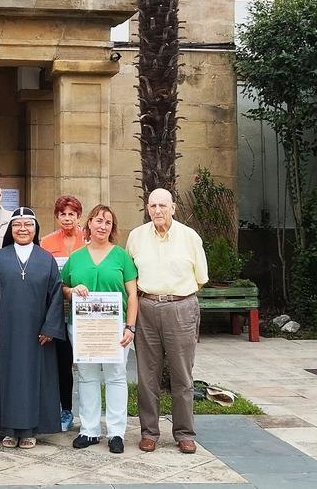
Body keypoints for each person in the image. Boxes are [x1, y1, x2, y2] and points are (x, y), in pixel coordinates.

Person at [126, 188, 209, 454]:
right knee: (147, 375)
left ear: (173, 207)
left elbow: (200, 278)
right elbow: (130, 277)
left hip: (181, 307)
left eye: (163, 205)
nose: (158, 211)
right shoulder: (136, 237)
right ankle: (149, 432)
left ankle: (184, 433)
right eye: (153, 206)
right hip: (147, 307)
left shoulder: (189, 237)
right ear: (147, 209)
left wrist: (175, 297)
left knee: (182, 375)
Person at [0, 207, 65, 449]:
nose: (23, 229)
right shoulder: (0, 257)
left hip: (38, 336)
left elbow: (56, 294)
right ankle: (8, 430)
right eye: (18, 225)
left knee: (33, 380)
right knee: (6, 380)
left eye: (28, 225)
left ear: (35, 229)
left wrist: (50, 327)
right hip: (4, 334)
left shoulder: (45, 259)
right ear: (11, 229)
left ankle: (30, 431)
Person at [62, 204, 138, 454]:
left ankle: (116, 432)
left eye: (107, 222)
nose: (102, 226)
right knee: (87, 376)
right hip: (83, 327)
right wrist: (72, 291)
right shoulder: (76, 257)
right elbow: (63, 288)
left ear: (112, 228)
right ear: (89, 225)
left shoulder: (121, 256)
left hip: (115, 327)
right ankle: (90, 430)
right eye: (98, 221)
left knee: (116, 376)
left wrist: (131, 327)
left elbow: (133, 295)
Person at [39, 194, 84, 432]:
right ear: (56, 217)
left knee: (87, 365)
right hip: (56, 310)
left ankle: (89, 414)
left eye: (72, 214)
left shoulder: (88, 240)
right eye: (63, 214)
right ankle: (64, 410)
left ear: (79, 217)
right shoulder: (45, 242)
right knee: (61, 363)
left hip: (84, 311)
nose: (67, 219)